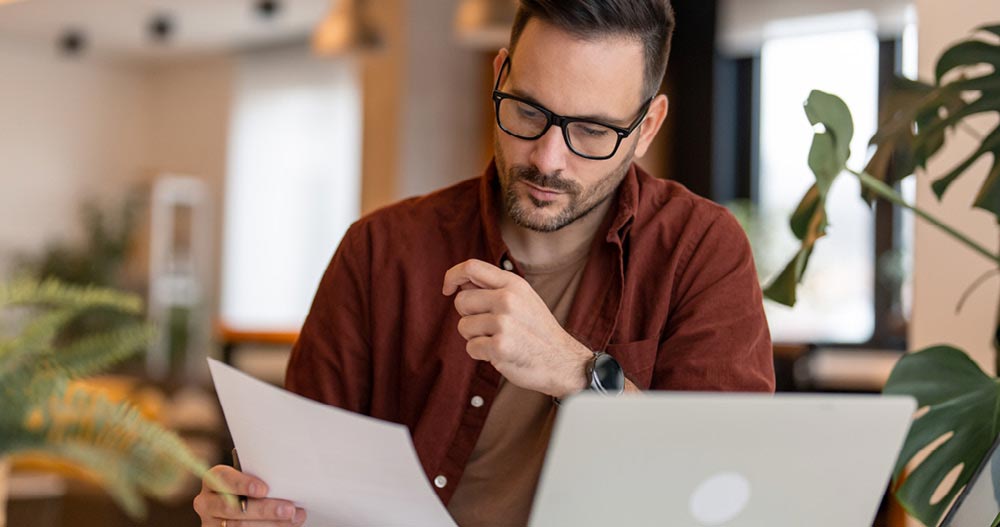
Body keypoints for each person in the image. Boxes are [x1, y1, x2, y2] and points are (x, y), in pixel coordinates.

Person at [193, 1, 775, 525]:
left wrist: (577, 373)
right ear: (500, 76)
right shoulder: (379, 250)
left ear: (646, 127)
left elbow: (730, 488)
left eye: (592, 131)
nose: (548, 159)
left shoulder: (700, 250)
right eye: (526, 111)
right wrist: (250, 508)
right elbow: (297, 481)